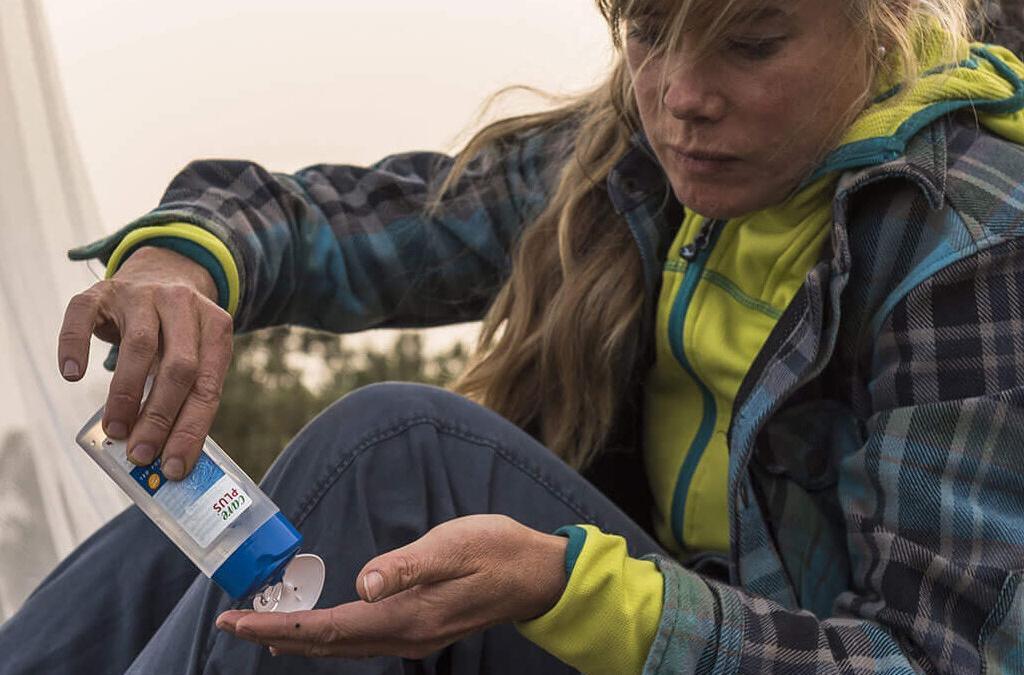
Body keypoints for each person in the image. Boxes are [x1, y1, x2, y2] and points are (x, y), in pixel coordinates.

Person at [4, 0, 1024, 672]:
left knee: (399, 452)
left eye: (748, 44)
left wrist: (577, 591)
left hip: (719, 645)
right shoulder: (631, 162)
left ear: (886, 30)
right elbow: (351, 225)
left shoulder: (973, 244)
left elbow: (937, 660)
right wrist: (181, 262)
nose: (679, 95)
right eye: (650, 29)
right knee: (205, 535)